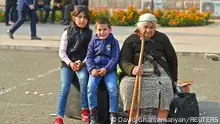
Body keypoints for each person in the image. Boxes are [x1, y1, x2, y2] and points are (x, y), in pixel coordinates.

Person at [119, 13, 178, 124]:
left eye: (152, 27)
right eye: (145, 27)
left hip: (158, 71)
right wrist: (132, 69)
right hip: (137, 71)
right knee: (127, 85)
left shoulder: (162, 38)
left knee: (165, 85)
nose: (149, 30)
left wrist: (174, 78)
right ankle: (135, 119)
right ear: (139, 27)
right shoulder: (131, 40)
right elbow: (123, 60)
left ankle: (161, 120)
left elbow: (172, 59)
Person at [53, 5, 92, 124]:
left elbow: (90, 53)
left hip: (82, 63)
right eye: (79, 17)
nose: (82, 20)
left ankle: (85, 109)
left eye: (85, 17)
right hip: (68, 64)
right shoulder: (67, 31)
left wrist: (82, 63)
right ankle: (59, 117)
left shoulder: (90, 33)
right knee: (64, 87)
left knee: (84, 80)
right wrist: (70, 63)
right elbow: (62, 52)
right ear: (74, 17)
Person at [86, 17, 120, 124]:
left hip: (108, 70)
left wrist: (107, 69)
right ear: (96, 30)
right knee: (91, 87)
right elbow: (89, 57)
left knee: (112, 88)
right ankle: (93, 114)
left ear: (110, 29)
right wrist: (92, 69)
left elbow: (115, 57)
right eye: (99, 30)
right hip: (95, 69)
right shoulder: (93, 42)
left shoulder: (114, 42)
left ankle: (113, 114)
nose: (102, 32)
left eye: (105, 29)